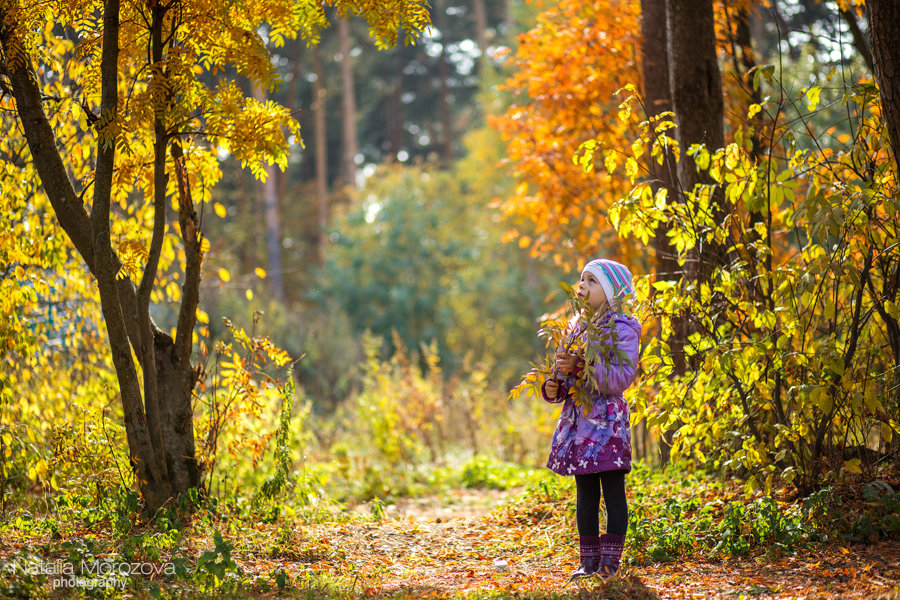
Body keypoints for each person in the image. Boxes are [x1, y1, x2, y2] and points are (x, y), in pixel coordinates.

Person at [541, 258, 641, 578]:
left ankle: (610, 563)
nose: (581, 285)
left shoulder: (622, 328)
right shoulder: (574, 327)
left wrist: (582, 367)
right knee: (585, 494)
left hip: (607, 425)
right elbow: (563, 373)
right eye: (580, 279)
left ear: (612, 292)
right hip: (580, 425)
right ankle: (588, 562)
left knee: (612, 493)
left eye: (591, 281)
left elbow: (619, 379)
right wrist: (555, 383)